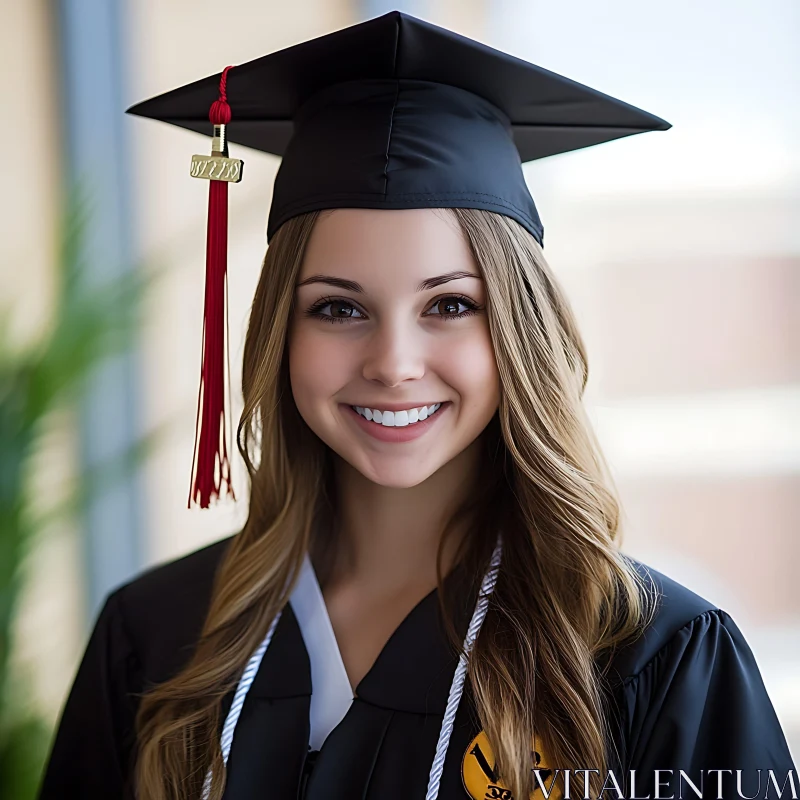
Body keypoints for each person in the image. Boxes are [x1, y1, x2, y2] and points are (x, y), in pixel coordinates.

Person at [38, 10, 796, 800]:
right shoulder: (157, 637)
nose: (394, 365)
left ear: (517, 329)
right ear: (278, 334)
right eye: (338, 308)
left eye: (450, 306)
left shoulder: (648, 653)